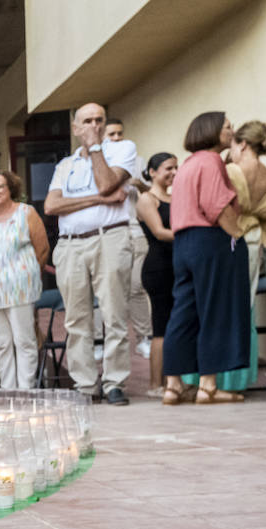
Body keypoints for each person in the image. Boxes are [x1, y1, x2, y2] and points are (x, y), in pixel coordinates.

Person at [183, 121, 266, 394]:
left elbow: (214, 207)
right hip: (253, 246)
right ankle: (237, 378)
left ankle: (208, 380)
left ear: (241, 144)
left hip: (223, 241)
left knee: (212, 309)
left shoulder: (229, 171)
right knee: (244, 309)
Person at [45, 102, 136, 405]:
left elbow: (109, 182)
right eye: (86, 121)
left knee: (114, 313)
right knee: (77, 319)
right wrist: (100, 198)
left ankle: (114, 383)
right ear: (75, 128)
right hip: (70, 243)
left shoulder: (122, 151)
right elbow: (51, 206)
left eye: (99, 120)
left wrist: (97, 148)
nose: (93, 126)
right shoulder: (65, 165)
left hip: (108, 238)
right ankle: (84, 384)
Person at [161, 112, 249, 406]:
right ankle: (208, 386)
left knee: (183, 312)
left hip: (184, 242)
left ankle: (172, 386)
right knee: (216, 310)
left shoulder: (187, 165)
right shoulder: (212, 161)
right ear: (211, 131)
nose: (232, 130)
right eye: (227, 126)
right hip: (210, 240)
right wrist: (237, 234)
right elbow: (216, 205)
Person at [0, 169, 50, 391]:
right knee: (1, 344)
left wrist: (24, 274)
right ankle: (8, 391)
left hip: (20, 290)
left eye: (0, 187)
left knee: (24, 341)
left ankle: (25, 391)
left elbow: (43, 249)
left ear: (10, 189)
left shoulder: (26, 213)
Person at [106, 117, 155, 361]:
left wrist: (140, 184)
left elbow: (153, 192)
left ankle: (144, 337)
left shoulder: (137, 161)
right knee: (108, 290)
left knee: (137, 286)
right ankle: (102, 341)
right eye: (111, 134)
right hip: (110, 233)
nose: (116, 138)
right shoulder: (97, 163)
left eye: (119, 133)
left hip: (137, 230)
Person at [136, 153, 178, 396]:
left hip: (177, 264)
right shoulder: (147, 199)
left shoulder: (175, 197)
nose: (173, 172)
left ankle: (173, 379)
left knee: (176, 325)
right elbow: (160, 232)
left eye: (176, 168)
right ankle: (155, 384)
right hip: (158, 267)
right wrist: (192, 232)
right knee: (161, 326)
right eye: (167, 168)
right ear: (152, 172)